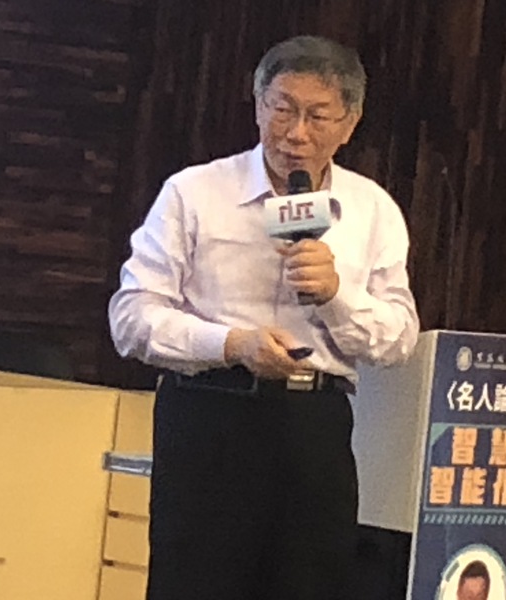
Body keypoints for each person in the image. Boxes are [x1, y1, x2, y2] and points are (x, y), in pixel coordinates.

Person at [108, 35, 419, 600]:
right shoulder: (195, 192)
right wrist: (231, 344)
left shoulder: (372, 209)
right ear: (257, 105)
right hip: (208, 416)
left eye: (317, 116)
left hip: (314, 427)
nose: (296, 133)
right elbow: (130, 318)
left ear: (349, 124)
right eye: (282, 109)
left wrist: (335, 295)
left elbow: (399, 338)